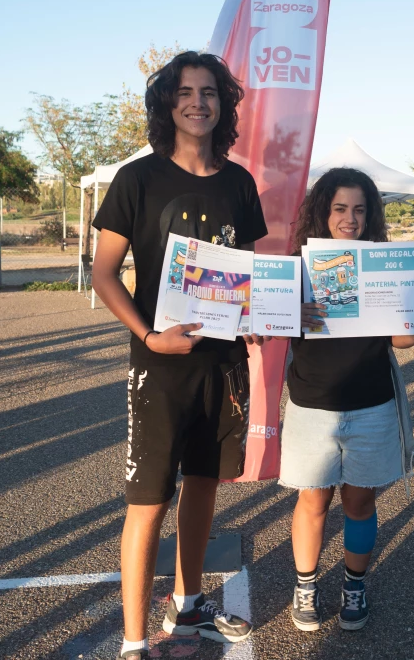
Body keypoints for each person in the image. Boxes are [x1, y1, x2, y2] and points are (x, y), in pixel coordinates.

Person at [92, 52, 269, 660]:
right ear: (168, 103)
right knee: (147, 502)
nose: (199, 101)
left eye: (210, 92)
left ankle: (188, 605)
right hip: (160, 366)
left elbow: (246, 275)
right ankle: (135, 641)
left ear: (224, 105)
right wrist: (148, 336)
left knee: (203, 485)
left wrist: (257, 320)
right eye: (186, 92)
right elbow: (105, 274)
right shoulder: (137, 180)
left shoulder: (239, 182)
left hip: (223, 368)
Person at [278, 167, 414, 632]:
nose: (349, 219)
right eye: (339, 208)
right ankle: (306, 586)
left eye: (358, 209)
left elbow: (399, 339)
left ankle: (355, 583)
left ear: (369, 215)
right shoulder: (300, 265)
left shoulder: (385, 264)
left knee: (359, 503)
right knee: (312, 502)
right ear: (322, 212)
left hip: (372, 403)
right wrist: (290, 311)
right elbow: (269, 325)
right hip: (312, 404)